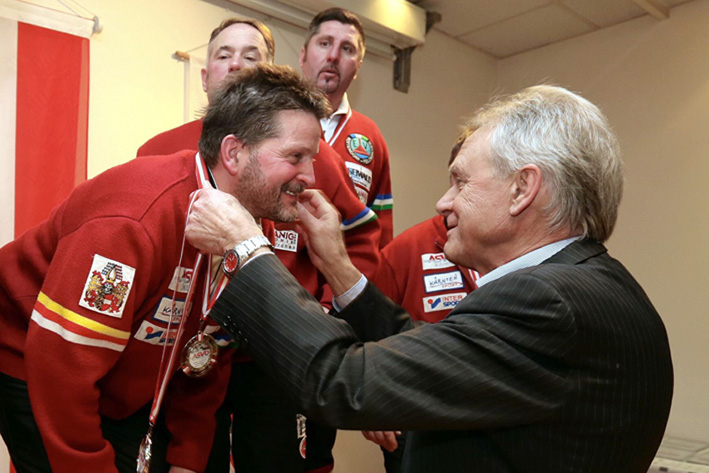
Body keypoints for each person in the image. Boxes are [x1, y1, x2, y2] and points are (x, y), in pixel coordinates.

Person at [185, 85, 674, 473]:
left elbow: (341, 381)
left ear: (523, 189)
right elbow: (434, 350)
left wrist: (246, 249)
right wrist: (338, 266)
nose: (444, 202)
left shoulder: (548, 302)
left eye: (460, 181)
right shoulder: (592, 286)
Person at [0, 63, 329, 473]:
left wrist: (186, 459)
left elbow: (207, 353)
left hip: (125, 382)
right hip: (34, 360)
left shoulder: (250, 229)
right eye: (296, 156)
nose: (310, 175)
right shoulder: (135, 218)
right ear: (233, 153)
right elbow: (63, 366)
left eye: (311, 158)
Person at [138, 17, 376, 473]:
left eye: (251, 57)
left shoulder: (309, 155)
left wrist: (328, 310)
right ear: (205, 75)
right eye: (224, 55)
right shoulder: (159, 151)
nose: (236, 65)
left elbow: (359, 237)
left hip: (274, 352)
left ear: (270, 74)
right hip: (190, 352)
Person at [366, 131, 479, 472]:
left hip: (494, 423)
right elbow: (367, 328)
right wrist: (372, 399)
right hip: (415, 424)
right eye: (456, 181)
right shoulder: (409, 249)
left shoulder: (525, 253)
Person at [300, 7, 394, 246]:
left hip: (342, 266)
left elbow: (380, 234)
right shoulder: (270, 119)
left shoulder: (371, 136)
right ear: (303, 56)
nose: (333, 56)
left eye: (347, 49)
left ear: (358, 67)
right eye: (324, 43)